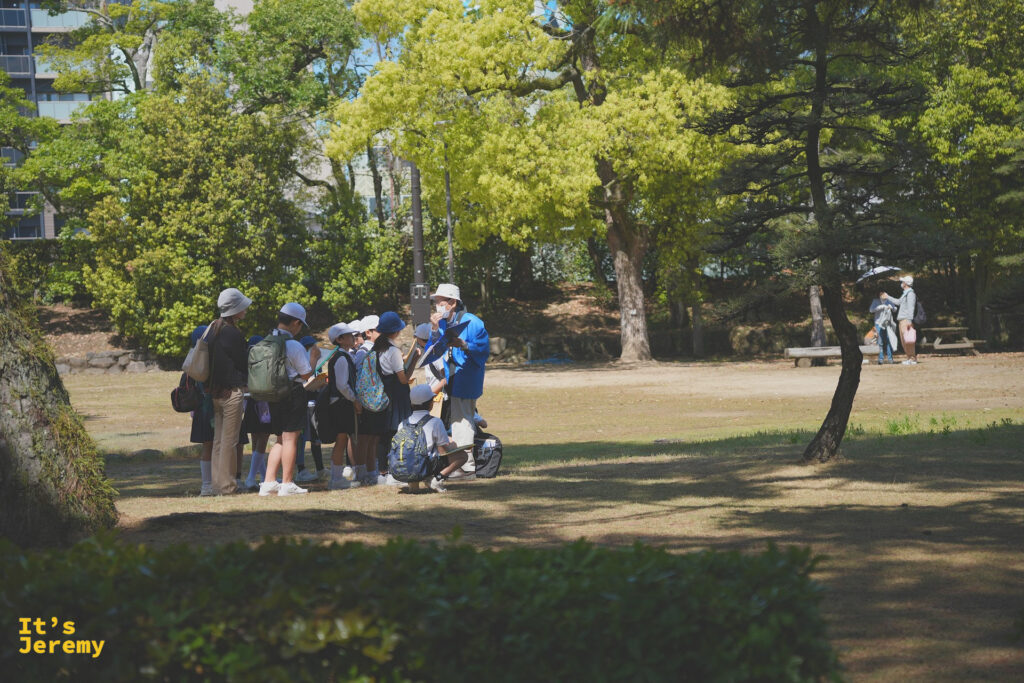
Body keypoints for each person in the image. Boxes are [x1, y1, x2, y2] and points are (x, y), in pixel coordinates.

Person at [429, 283, 489, 478]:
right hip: (452, 377)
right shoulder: (443, 323)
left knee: (462, 421)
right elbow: (433, 348)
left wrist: (463, 344)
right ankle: (463, 464)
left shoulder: (473, 322)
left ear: (453, 303)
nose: (437, 306)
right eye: (436, 303)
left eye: (440, 302)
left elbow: (483, 350)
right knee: (459, 420)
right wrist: (435, 329)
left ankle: (465, 466)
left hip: (466, 378)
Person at [259, 303, 314, 496]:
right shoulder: (293, 345)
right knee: (291, 438)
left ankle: (269, 482)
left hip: (272, 394)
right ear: (296, 323)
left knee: (280, 439)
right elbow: (306, 374)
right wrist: (315, 359)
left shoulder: (266, 341)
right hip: (292, 394)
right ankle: (287, 483)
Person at [206, 287, 252, 495]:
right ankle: (227, 486)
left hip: (216, 391)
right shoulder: (232, 333)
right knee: (229, 441)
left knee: (218, 441)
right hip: (231, 391)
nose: (245, 310)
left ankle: (217, 484)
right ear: (235, 309)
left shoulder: (214, 328)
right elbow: (242, 362)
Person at [392, 384, 468, 493]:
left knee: (413, 455)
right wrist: (453, 445)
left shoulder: (402, 423)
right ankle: (437, 479)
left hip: (402, 467)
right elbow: (443, 451)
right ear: (430, 403)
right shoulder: (435, 422)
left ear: (412, 404)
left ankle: (413, 483)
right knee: (462, 456)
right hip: (424, 465)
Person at [366, 311, 412, 485]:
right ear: (396, 331)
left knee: (383, 434)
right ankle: (394, 472)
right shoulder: (393, 351)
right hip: (396, 394)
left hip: (382, 393)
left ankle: (382, 471)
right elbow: (403, 379)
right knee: (396, 432)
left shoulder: (377, 348)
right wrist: (414, 359)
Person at [324, 322, 361, 490]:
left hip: (342, 402)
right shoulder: (341, 358)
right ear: (339, 339)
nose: (353, 338)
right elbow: (342, 385)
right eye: (349, 336)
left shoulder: (344, 356)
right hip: (341, 403)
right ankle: (336, 478)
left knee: (343, 439)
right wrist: (354, 400)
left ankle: (337, 477)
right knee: (341, 440)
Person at [187, 325, 215, 496]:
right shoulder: (206, 360)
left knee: (208, 445)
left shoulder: (191, 359)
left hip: (200, 409)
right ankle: (208, 484)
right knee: (212, 445)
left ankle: (208, 484)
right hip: (209, 407)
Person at [295, 335, 325, 483]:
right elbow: (303, 382)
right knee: (300, 438)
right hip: (304, 404)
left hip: (314, 402)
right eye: (311, 347)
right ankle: (300, 469)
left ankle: (320, 468)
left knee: (315, 437)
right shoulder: (301, 363)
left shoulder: (317, 363)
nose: (314, 349)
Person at [883, 276, 918, 365]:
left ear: (905, 284)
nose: (901, 283)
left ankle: (912, 358)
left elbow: (911, 308)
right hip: (902, 320)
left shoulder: (910, 294)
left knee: (909, 340)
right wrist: (887, 297)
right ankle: (909, 357)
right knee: (904, 340)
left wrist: (909, 321)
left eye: (903, 282)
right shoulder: (905, 293)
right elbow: (898, 302)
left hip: (906, 320)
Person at [869, 291, 898, 364]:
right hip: (878, 323)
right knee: (880, 341)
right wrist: (880, 307)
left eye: (885, 294)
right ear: (880, 295)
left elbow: (895, 309)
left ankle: (890, 359)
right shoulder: (876, 301)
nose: (884, 296)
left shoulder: (889, 301)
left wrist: (892, 307)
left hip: (888, 323)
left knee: (889, 340)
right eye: (882, 294)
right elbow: (871, 310)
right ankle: (880, 359)